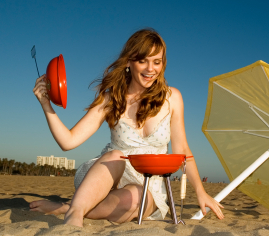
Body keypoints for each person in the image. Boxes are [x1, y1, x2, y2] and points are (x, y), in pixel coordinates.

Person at [29, 28, 224, 227]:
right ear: (129, 62)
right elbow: (68, 141)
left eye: (157, 62)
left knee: (136, 199)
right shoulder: (110, 98)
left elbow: (182, 150)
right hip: (107, 176)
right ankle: (75, 213)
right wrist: (46, 104)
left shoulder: (172, 98)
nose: (150, 69)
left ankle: (66, 207)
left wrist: (201, 191)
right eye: (143, 61)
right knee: (116, 156)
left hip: (148, 187)